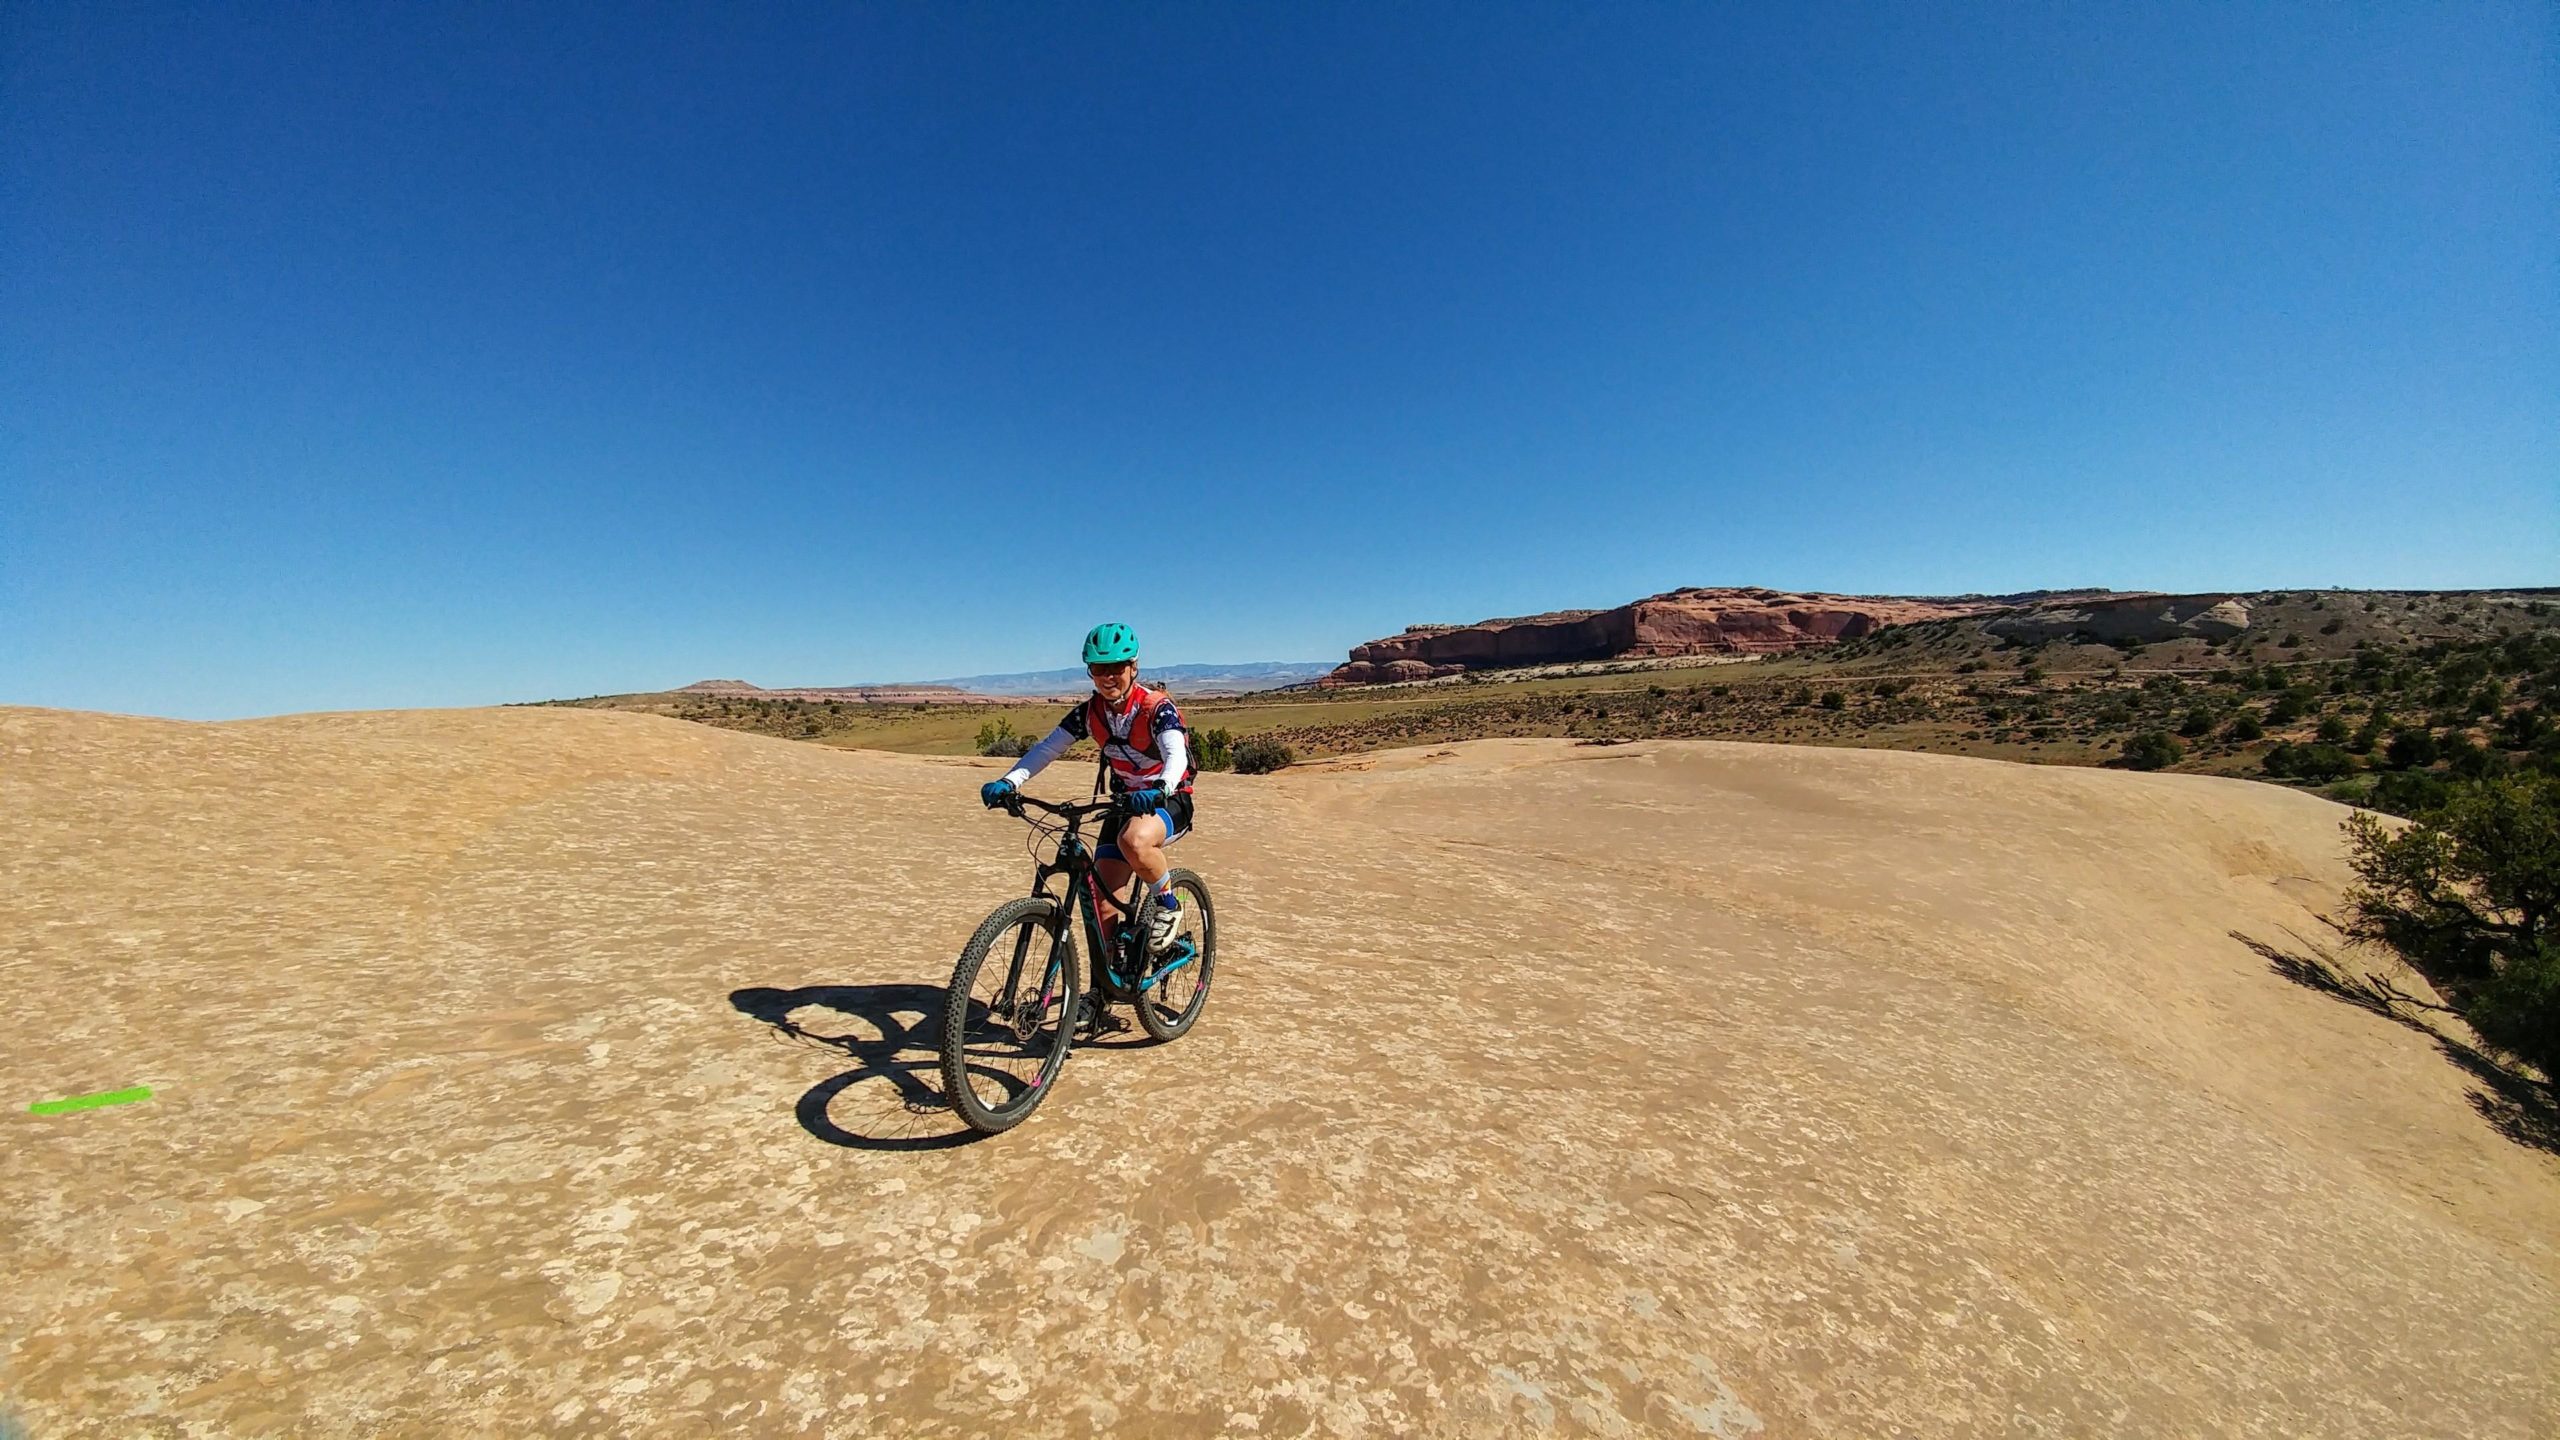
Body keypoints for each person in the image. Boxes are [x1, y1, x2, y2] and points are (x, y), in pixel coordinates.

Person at [980, 622, 1195, 956]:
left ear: (1133, 667)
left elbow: (1175, 753)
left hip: (1169, 800)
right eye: (1099, 668)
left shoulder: (1155, 708)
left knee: (1134, 840)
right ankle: (1107, 986)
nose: (1108, 677)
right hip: (1125, 803)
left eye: (1116, 667)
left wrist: (1162, 787)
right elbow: (1048, 749)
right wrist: (1010, 781)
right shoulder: (1089, 714)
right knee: (1102, 902)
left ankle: (1168, 904)